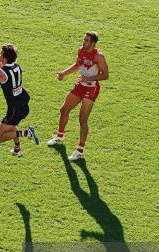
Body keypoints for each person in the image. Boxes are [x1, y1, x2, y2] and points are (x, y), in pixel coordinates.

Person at [47, 32, 109, 161]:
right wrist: (64, 73)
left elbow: (105, 75)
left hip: (91, 89)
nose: (83, 42)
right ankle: (60, 136)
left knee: (82, 119)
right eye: (84, 39)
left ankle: (80, 150)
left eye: (86, 40)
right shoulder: (81, 51)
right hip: (80, 86)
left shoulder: (99, 56)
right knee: (64, 110)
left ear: (93, 43)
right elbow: (77, 65)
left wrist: (89, 78)